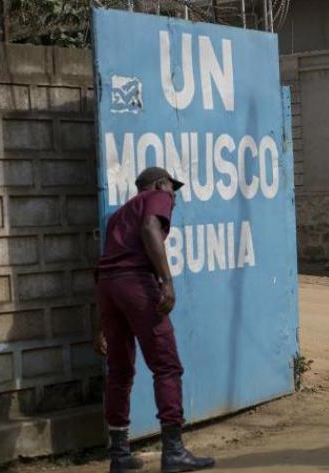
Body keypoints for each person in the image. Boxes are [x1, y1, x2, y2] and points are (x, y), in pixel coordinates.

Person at [94, 167, 215, 473]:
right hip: (136, 283)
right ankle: (173, 450)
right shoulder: (157, 197)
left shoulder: (118, 216)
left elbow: (107, 264)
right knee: (167, 366)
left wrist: (100, 326)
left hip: (108, 288)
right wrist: (167, 281)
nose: (173, 195)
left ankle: (119, 455)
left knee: (120, 371)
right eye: (172, 188)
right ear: (160, 184)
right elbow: (150, 228)